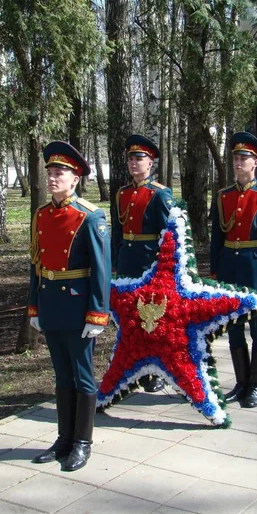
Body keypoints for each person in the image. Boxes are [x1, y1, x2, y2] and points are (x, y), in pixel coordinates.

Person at [28, 140, 111, 471]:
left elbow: (102, 270)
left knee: (82, 376)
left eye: (59, 172)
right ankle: (63, 439)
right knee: (62, 376)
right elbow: (35, 263)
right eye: (50, 172)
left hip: (78, 309)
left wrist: (97, 313)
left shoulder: (90, 217)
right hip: (51, 305)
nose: (52, 177)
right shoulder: (42, 215)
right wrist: (34, 306)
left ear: (75, 178)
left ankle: (82, 442)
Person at [210, 131, 257, 408]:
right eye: (235, 158)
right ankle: (241, 383)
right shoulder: (223, 196)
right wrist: (215, 273)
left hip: (255, 265)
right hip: (229, 266)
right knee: (234, 328)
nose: (238, 162)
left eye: (244, 158)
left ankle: (256, 386)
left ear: (255, 162)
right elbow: (217, 237)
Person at [112, 134, 174, 392]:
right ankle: (136, 370)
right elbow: (117, 232)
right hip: (128, 264)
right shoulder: (122, 194)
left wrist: (164, 269)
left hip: (150, 265)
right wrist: (116, 263)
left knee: (153, 322)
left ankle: (156, 372)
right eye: (130, 159)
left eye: (139, 158)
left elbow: (168, 235)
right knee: (130, 322)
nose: (133, 163)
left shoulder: (159, 195)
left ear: (151, 163)